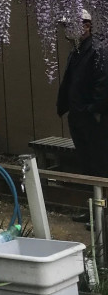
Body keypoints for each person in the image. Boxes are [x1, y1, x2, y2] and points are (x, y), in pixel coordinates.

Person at [56, 9, 108, 178]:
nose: (66, 30)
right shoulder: (76, 50)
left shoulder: (97, 49)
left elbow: (103, 83)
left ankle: (102, 201)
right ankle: (93, 199)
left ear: (86, 26)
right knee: (86, 161)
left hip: (93, 118)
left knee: (98, 161)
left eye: (70, 25)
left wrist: (92, 110)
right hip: (78, 115)